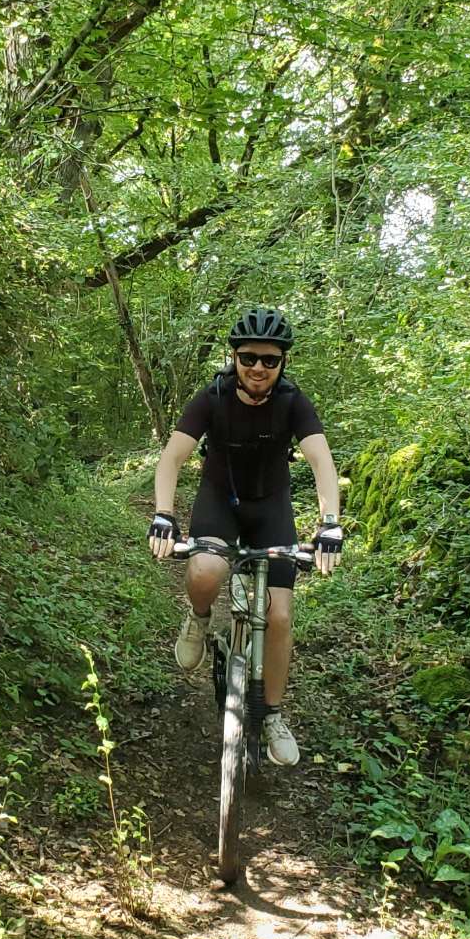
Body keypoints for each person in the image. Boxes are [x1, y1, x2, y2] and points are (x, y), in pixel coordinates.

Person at [146, 305, 344, 767]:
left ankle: (271, 714)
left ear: (283, 363)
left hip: (271, 509)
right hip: (220, 502)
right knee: (206, 569)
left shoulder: (293, 402)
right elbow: (172, 458)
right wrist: (163, 515)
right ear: (233, 357)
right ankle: (198, 618)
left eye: (269, 359)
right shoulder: (211, 398)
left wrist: (330, 522)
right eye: (249, 357)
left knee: (279, 616)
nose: (258, 367)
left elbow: (321, 461)